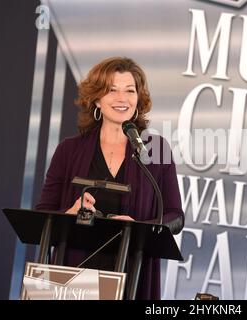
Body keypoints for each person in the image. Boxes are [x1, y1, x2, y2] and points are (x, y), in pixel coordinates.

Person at [35, 57, 184, 299]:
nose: (122, 98)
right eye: (111, 90)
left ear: (138, 99)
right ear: (96, 98)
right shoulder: (68, 150)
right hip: (73, 277)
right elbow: (43, 214)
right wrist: (70, 212)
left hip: (132, 275)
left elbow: (175, 217)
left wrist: (139, 229)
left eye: (130, 91)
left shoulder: (156, 150)